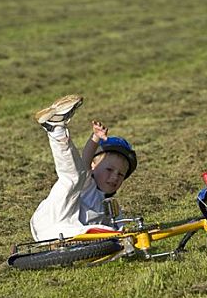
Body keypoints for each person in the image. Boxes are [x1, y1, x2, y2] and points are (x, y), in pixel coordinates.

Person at [30, 94, 137, 241]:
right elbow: (86, 158)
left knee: (111, 233)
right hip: (49, 221)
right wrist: (95, 138)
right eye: (109, 170)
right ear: (93, 165)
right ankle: (56, 129)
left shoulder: (110, 208)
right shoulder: (87, 183)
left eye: (120, 175)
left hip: (69, 233)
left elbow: (121, 228)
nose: (114, 178)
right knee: (74, 177)